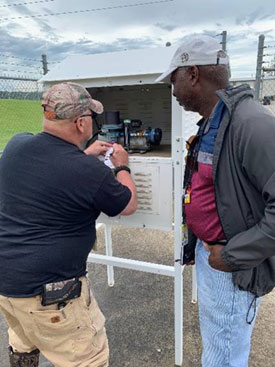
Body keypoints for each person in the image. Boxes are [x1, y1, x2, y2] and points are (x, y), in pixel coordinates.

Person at [156, 35, 275, 366]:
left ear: (192, 73)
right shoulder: (215, 120)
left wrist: (232, 255)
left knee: (223, 356)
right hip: (215, 256)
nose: (173, 90)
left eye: (173, 80)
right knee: (217, 347)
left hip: (232, 266)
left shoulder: (252, 125)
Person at [0, 82, 137, 367]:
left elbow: (50, 169)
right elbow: (127, 204)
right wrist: (122, 165)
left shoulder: (16, 146)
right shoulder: (88, 171)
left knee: (24, 341)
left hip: (8, 285)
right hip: (51, 294)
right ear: (80, 122)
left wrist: (84, 155)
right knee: (88, 359)